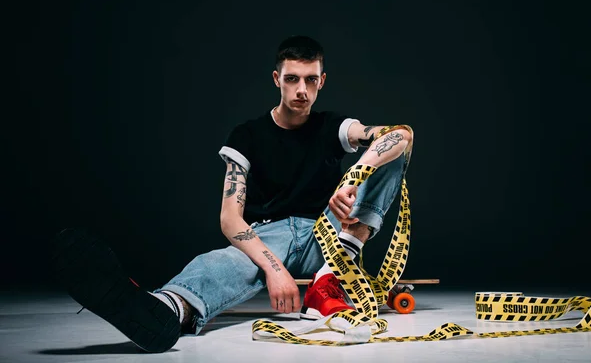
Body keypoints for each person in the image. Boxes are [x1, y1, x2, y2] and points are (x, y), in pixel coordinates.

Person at [53, 35, 414, 353]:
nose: (301, 90)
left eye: (309, 80)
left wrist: (355, 174)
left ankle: (327, 281)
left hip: (331, 236)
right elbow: (230, 218)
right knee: (224, 263)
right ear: (277, 80)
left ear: (321, 81)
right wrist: (274, 270)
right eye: (291, 79)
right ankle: (162, 311)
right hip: (268, 236)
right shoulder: (248, 136)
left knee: (394, 154)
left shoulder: (335, 126)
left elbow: (401, 134)